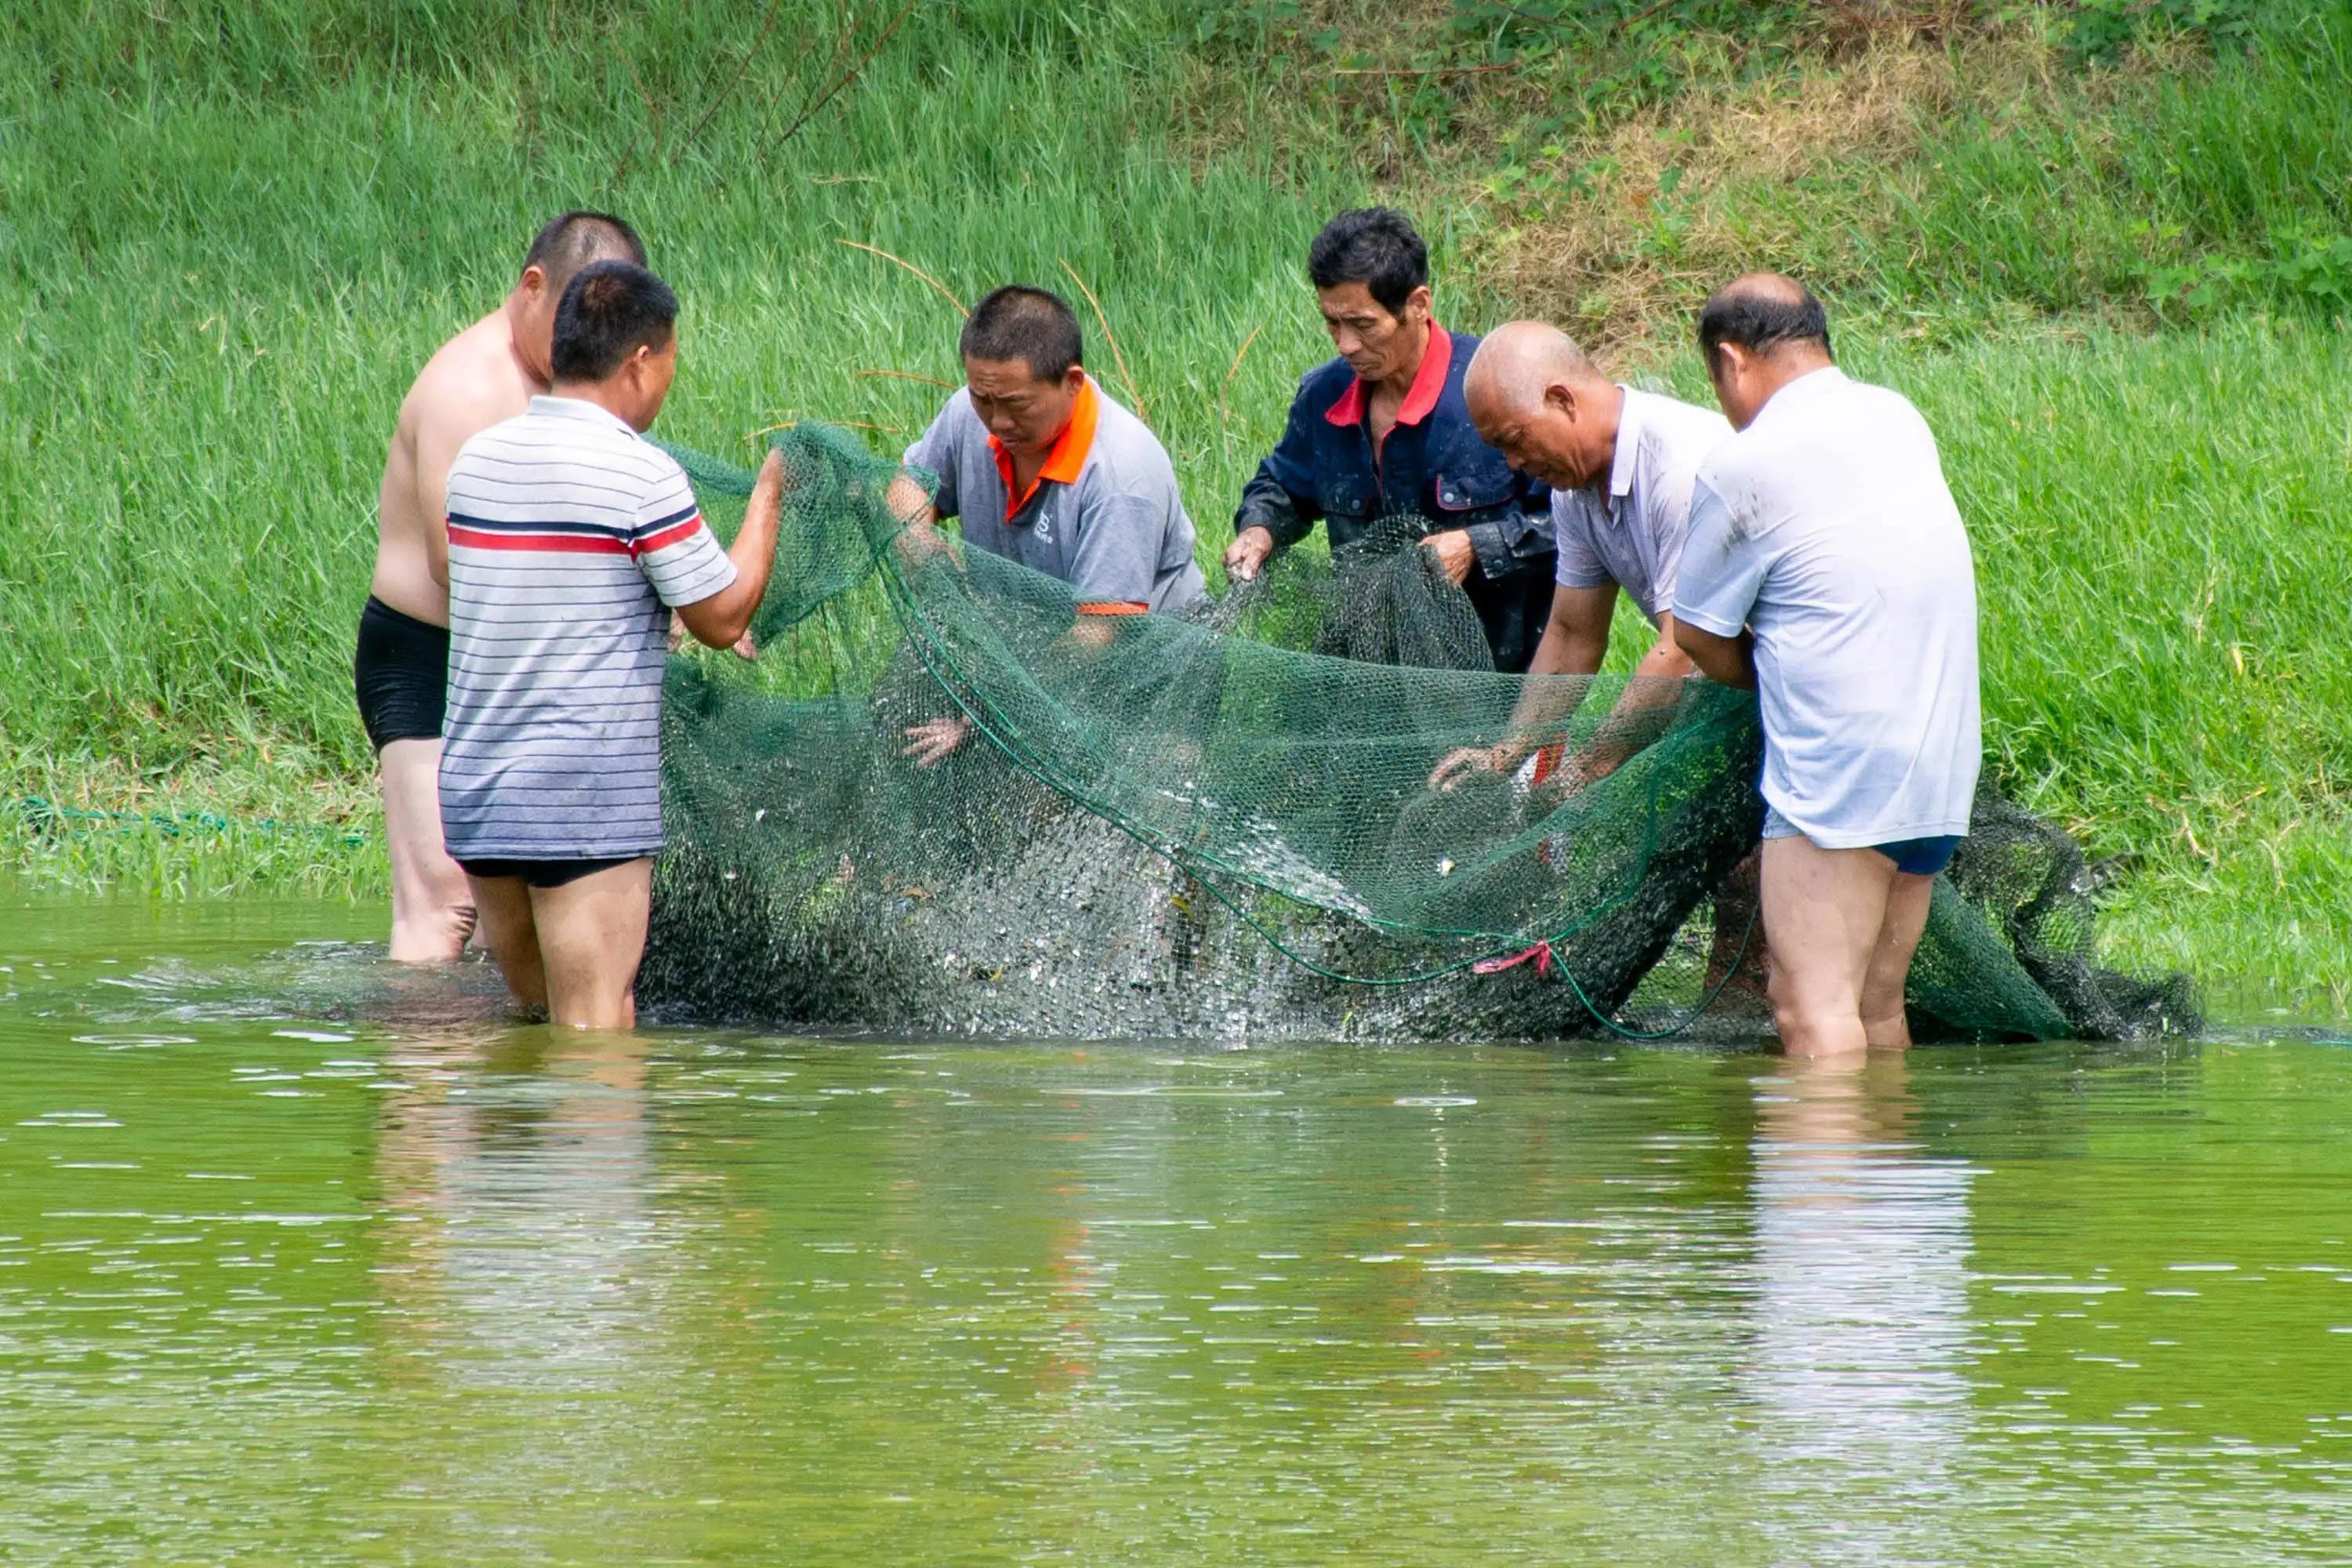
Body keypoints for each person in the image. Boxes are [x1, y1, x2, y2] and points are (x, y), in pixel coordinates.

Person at [435, 260, 784, 1029]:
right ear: (640, 362)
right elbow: (722, 618)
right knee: (594, 1027)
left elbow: (544, 597)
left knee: (531, 1018)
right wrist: (767, 499)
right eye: (670, 364)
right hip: (579, 797)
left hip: (478, 788)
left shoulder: (476, 463)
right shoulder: (642, 473)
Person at [1671, 274, 1980, 1058]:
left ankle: (1822, 1184)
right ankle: (1895, 1180)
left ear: (1732, 362)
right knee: (1874, 1007)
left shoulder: (1746, 462)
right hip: (1939, 759)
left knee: (1810, 1010)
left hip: (1841, 772)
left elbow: (1698, 636)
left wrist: (1764, 671)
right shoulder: (1896, 416)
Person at [358, 210, 648, 963]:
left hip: (530, 660)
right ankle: (420, 1077)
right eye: (571, 316)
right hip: (431, 654)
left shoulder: (581, 383)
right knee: (446, 898)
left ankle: (503, 1076)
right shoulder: (470, 387)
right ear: (531, 286)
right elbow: (456, 563)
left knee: (512, 906)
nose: (582, 341)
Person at [1224, 208, 1554, 671]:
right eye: (1332, 324)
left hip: (1499, 685)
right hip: (1372, 677)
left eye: (1362, 325)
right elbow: (1281, 487)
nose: (1345, 345)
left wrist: (1478, 546)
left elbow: (1573, 525)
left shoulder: (1497, 390)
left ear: (1418, 304)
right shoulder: (1323, 397)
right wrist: (1259, 529)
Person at [897, 285, 1207, 764]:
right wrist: (919, 543)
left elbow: (1095, 640)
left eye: (1017, 405)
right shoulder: (970, 411)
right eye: (983, 398)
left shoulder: (1121, 475)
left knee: (1134, 811)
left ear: (1073, 382)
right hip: (1027, 663)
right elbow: (907, 485)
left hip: (1147, 686)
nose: (997, 421)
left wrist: (977, 716)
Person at [1427, 320, 1731, 791]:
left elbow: (1683, 649)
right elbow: (1572, 637)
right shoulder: (1573, 491)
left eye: (1514, 439)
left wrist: (1583, 772)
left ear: (1563, 400)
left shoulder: (1679, 470)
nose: (1512, 463)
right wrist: (1503, 757)